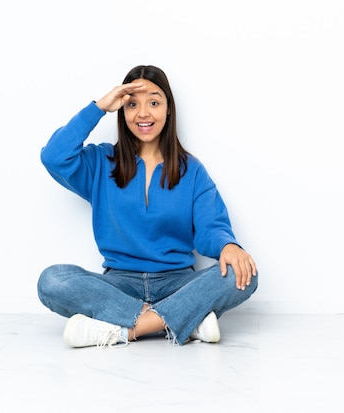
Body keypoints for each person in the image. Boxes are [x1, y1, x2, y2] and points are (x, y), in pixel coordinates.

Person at [37, 65, 258, 348]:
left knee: (246, 273)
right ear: (122, 111)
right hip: (119, 285)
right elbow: (54, 157)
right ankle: (184, 321)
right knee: (53, 280)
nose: (143, 113)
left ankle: (123, 330)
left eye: (154, 102)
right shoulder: (100, 162)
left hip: (177, 284)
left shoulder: (191, 170)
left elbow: (211, 227)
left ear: (168, 109)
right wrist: (99, 107)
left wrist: (228, 246)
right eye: (132, 105)